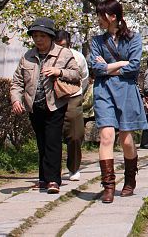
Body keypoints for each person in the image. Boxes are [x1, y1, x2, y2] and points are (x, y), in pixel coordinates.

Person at [10, 17, 81, 194]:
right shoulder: (27, 56)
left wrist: (59, 71)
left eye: (42, 35)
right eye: (35, 35)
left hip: (55, 104)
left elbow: (76, 74)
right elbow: (17, 81)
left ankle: (53, 181)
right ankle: (43, 178)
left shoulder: (63, 54)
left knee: (53, 141)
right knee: (42, 142)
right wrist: (16, 100)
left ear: (50, 36)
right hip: (34, 105)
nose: (38, 39)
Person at [88, 0, 148, 204]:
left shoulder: (134, 38)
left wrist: (111, 66)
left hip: (126, 92)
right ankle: (108, 185)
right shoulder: (96, 41)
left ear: (112, 17)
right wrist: (121, 63)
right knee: (106, 136)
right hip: (103, 91)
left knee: (126, 140)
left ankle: (130, 178)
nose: (98, 19)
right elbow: (95, 68)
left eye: (100, 15)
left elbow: (134, 67)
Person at [54, 30, 90, 181]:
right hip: (53, 98)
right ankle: (53, 170)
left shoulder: (78, 57)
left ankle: (73, 167)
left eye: (63, 45)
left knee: (75, 135)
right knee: (52, 135)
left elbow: (85, 78)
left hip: (73, 97)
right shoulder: (48, 56)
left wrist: (77, 93)